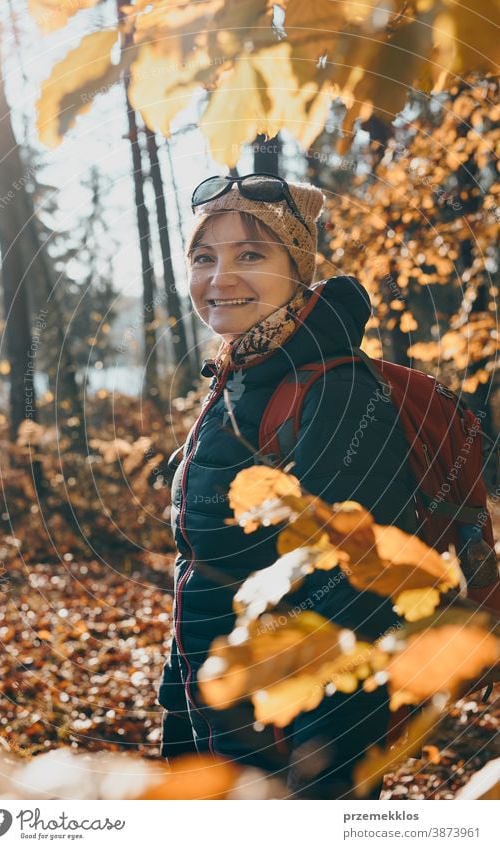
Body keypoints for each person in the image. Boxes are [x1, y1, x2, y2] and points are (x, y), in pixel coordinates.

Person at [157, 173, 419, 798]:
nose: (220, 278)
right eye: (204, 257)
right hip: (208, 696)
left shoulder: (337, 391)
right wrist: (184, 694)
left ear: (297, 269)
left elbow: (349, 584)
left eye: (251, 254)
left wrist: (294, 751)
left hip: (292, 731)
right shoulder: (241, 373)